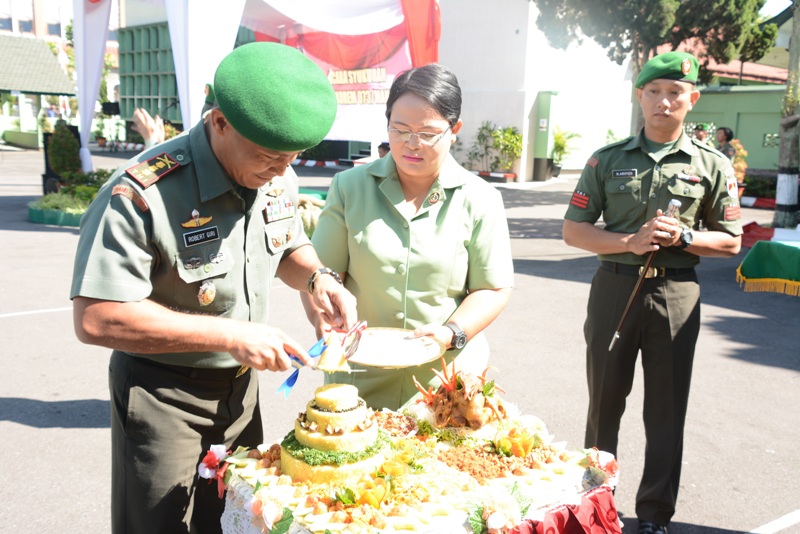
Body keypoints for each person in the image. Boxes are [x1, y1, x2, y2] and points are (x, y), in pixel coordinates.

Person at [70, 42, 357, 534]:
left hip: (241, 393)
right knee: (160, 524)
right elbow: (97, 317)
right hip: (163, 397)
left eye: (293, 157)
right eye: (270, 155)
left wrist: (318, 278)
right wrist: (230, 335)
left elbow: (288, 244)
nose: (282, 171)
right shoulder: (144, 192)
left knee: (238, 517)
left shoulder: (273, 179)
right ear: (219, 121)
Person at [562, 51, 742, 534]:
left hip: (677, 294)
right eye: (654, 92)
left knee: (666, 409)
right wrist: (628, 241)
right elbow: (574, 231)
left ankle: (655, 515)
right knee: (603, 404)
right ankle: (595, 505)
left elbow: (730, 239)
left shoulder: (712, 164)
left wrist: (685, 237)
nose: (664, 102)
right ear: (639, 96)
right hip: (614, 289)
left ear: (693, 99)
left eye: (675, 93)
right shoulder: (608, 159)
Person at [303, 63, 514, 410]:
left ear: (454, 129)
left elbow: (491, 288)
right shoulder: (350, 187)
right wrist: (323, 320)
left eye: (428, 133)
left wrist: (450, 334)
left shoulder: (480, 198)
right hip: (360, 375)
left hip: (446, 382)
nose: (411, 144)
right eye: (399, 130)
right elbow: (321, 275)